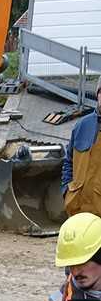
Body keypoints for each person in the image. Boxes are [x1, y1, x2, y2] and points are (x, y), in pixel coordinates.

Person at [62, 75, 101, 217]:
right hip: (77, 210)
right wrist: (66, 191)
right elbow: (69, 161)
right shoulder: (82, 125)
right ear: (97, 95)